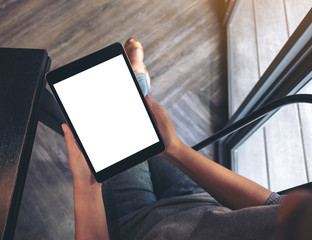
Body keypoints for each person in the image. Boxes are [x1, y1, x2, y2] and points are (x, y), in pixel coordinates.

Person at [61, 38, 310, 240]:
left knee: (114, 112)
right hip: (199, 200)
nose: (300, 196)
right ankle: (138, 84)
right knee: (143, 127)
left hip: (132, 225)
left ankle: (138, 82)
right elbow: (271, 203)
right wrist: (176, 149)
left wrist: (88, 185)